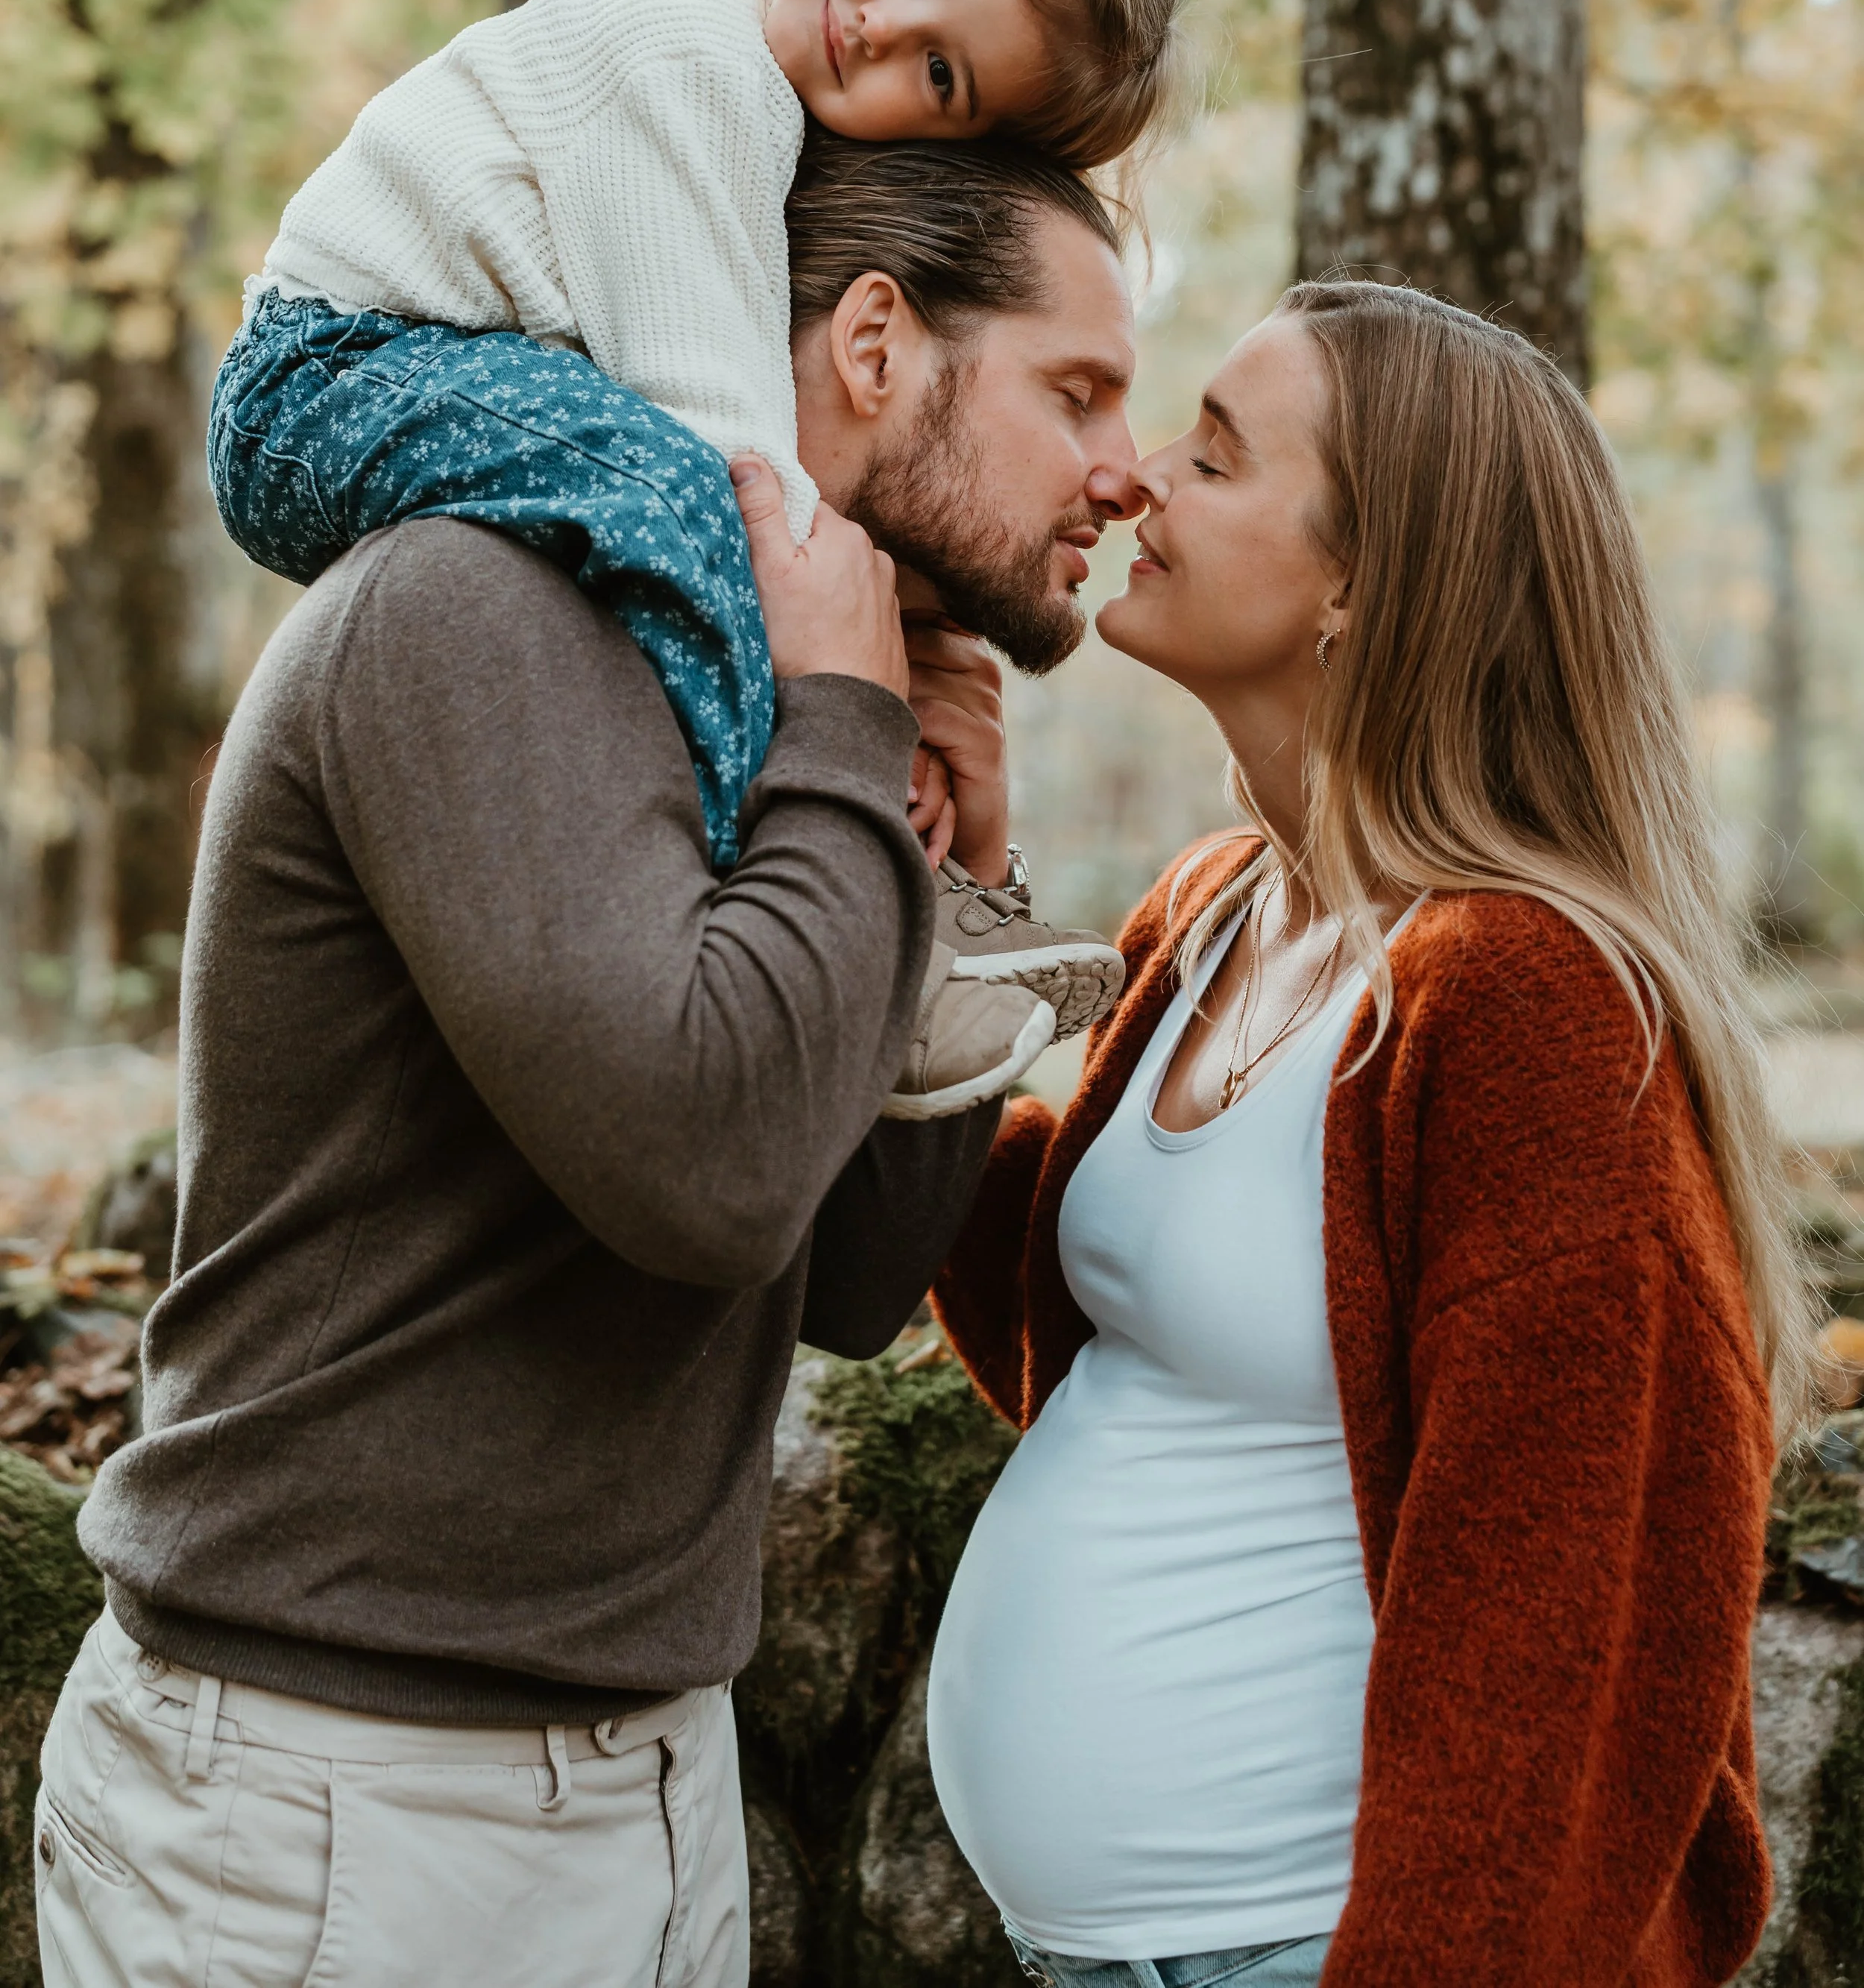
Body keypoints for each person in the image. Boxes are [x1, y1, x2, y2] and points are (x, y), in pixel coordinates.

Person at [36, 136, 1143, 1988]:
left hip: (645, 1778)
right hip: (331, 1800)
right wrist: (845, 729)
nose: (1118, 465)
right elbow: (705, 1179)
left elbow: (854, 1276)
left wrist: (945, 859)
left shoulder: (761, 703)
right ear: (874, 345)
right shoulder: (476, 612)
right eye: (1078, 390)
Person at [928, 278, 1807, 1988]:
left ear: (1358, 586)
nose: (1130, 485)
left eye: (1211, 457)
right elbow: (1067, 1336)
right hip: (1104, 1954)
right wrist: (936, 898)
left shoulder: (1523, 998)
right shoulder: (1211, 905)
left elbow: (1547, 1629)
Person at [208, 0, 1188, 1116]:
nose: (884, 27)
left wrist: (925, 706)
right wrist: (841, 715)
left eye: (943, 77)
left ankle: (896, 941)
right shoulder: (691, 57)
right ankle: (846, 931)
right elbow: (722, 432)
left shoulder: (754, 106)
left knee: (687, 507)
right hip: (324, 369)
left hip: (397, 368)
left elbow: (857, 1292)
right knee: (687, 498)